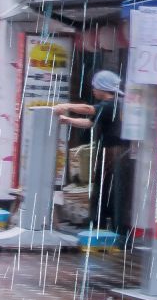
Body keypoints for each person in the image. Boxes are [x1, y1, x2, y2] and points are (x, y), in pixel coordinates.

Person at [53, 70, 130, 235]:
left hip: (114, 154)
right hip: (118, 155)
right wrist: (68, 120)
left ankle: (103, 229)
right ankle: (104, 228)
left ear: (104, 88)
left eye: (95, 87)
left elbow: (89, 110)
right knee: (108, 192)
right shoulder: (118, 104)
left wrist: (66, 106)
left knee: (105, 192)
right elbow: (89, 123)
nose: (93, 90)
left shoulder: (112, 104)